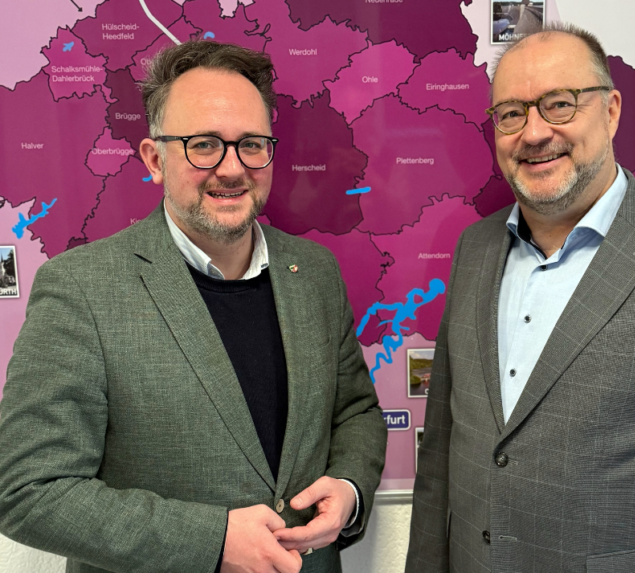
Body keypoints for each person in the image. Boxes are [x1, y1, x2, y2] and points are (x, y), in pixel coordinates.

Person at [0, 40, 387, 573]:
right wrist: (212, 540)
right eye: (203, 145)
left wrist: (348, 486)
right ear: (154, 159)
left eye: (251, 144)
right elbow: (27, 490)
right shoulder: (80, 290)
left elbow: (356, 411)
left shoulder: (315, 273)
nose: (231, 168)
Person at [406, 22, 635, 573]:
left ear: (612, 110)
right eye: (511, 113)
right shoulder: (474, 250)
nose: (533, 133)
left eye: (560, 104)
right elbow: (440, 458)